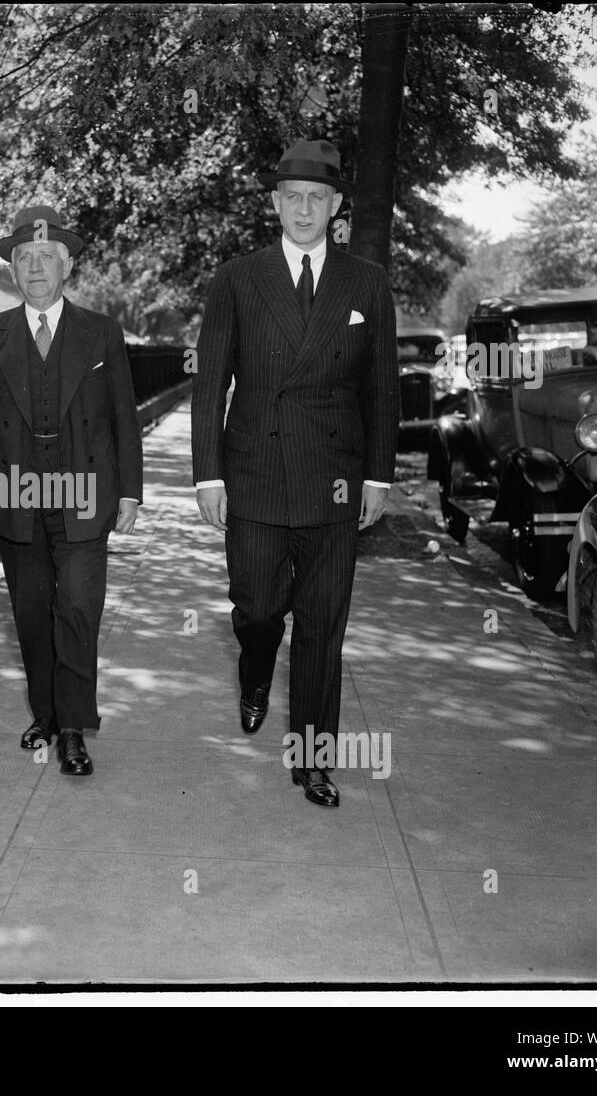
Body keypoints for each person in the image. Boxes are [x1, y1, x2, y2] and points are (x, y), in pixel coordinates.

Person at [191, 139, 399, 807]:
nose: (304, 209)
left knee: (322, 625)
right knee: (257, 608)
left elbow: (382, 388)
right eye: (292, 197)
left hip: (335, 482)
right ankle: (255, 668)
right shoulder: (237, 279)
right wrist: (207, 475)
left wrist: (378, 477)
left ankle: (314, 760)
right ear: (274, 203)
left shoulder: (366, 281)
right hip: (253, 475)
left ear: (335, 206)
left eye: (318, 198)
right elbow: (209, 385)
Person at [0, 205, 143, 776]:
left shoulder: (101, 332)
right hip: (15, 493)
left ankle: (75, 727)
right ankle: (47, 713)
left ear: (67, 267)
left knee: (77, 608)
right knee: (32, 614)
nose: (35, 268)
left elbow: (122, 418)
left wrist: (130, 491)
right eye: (24, 259)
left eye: (46, 258)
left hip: (85, 492)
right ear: (12, 271)